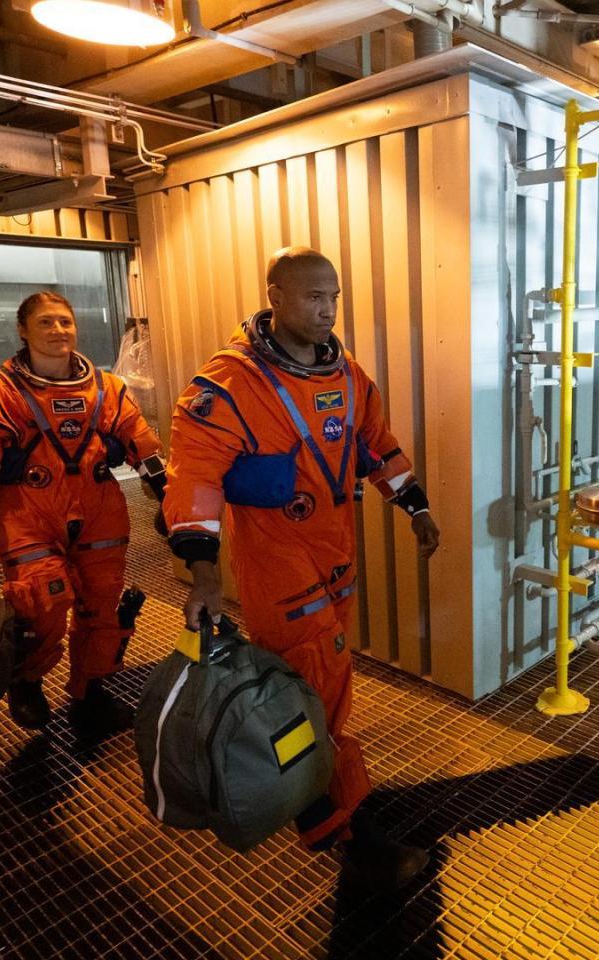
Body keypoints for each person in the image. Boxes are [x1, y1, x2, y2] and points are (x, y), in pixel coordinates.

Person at [162, 247, 441, 887]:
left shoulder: (345, 376)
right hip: (280, 567)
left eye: (334, 297)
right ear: (275, 297)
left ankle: (318, 805)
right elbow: (195, 480)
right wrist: (203, 572)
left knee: (324, 684)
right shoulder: (229, 388)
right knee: (316, 691)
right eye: (313, 297)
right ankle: (344, 829)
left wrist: (415, 508)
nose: (327, 310)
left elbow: (378, 447)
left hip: (337, 554)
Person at [0, 291, 165, 735]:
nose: (57, 331)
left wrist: (171, 503)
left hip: (100, 512)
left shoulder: (108, 390)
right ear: (23, 330)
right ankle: (26, 678)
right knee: (43, 602)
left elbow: (147, 452)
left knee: (103, 606)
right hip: (29, 515)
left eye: (65, 322)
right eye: (45, 323)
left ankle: (91, 692)